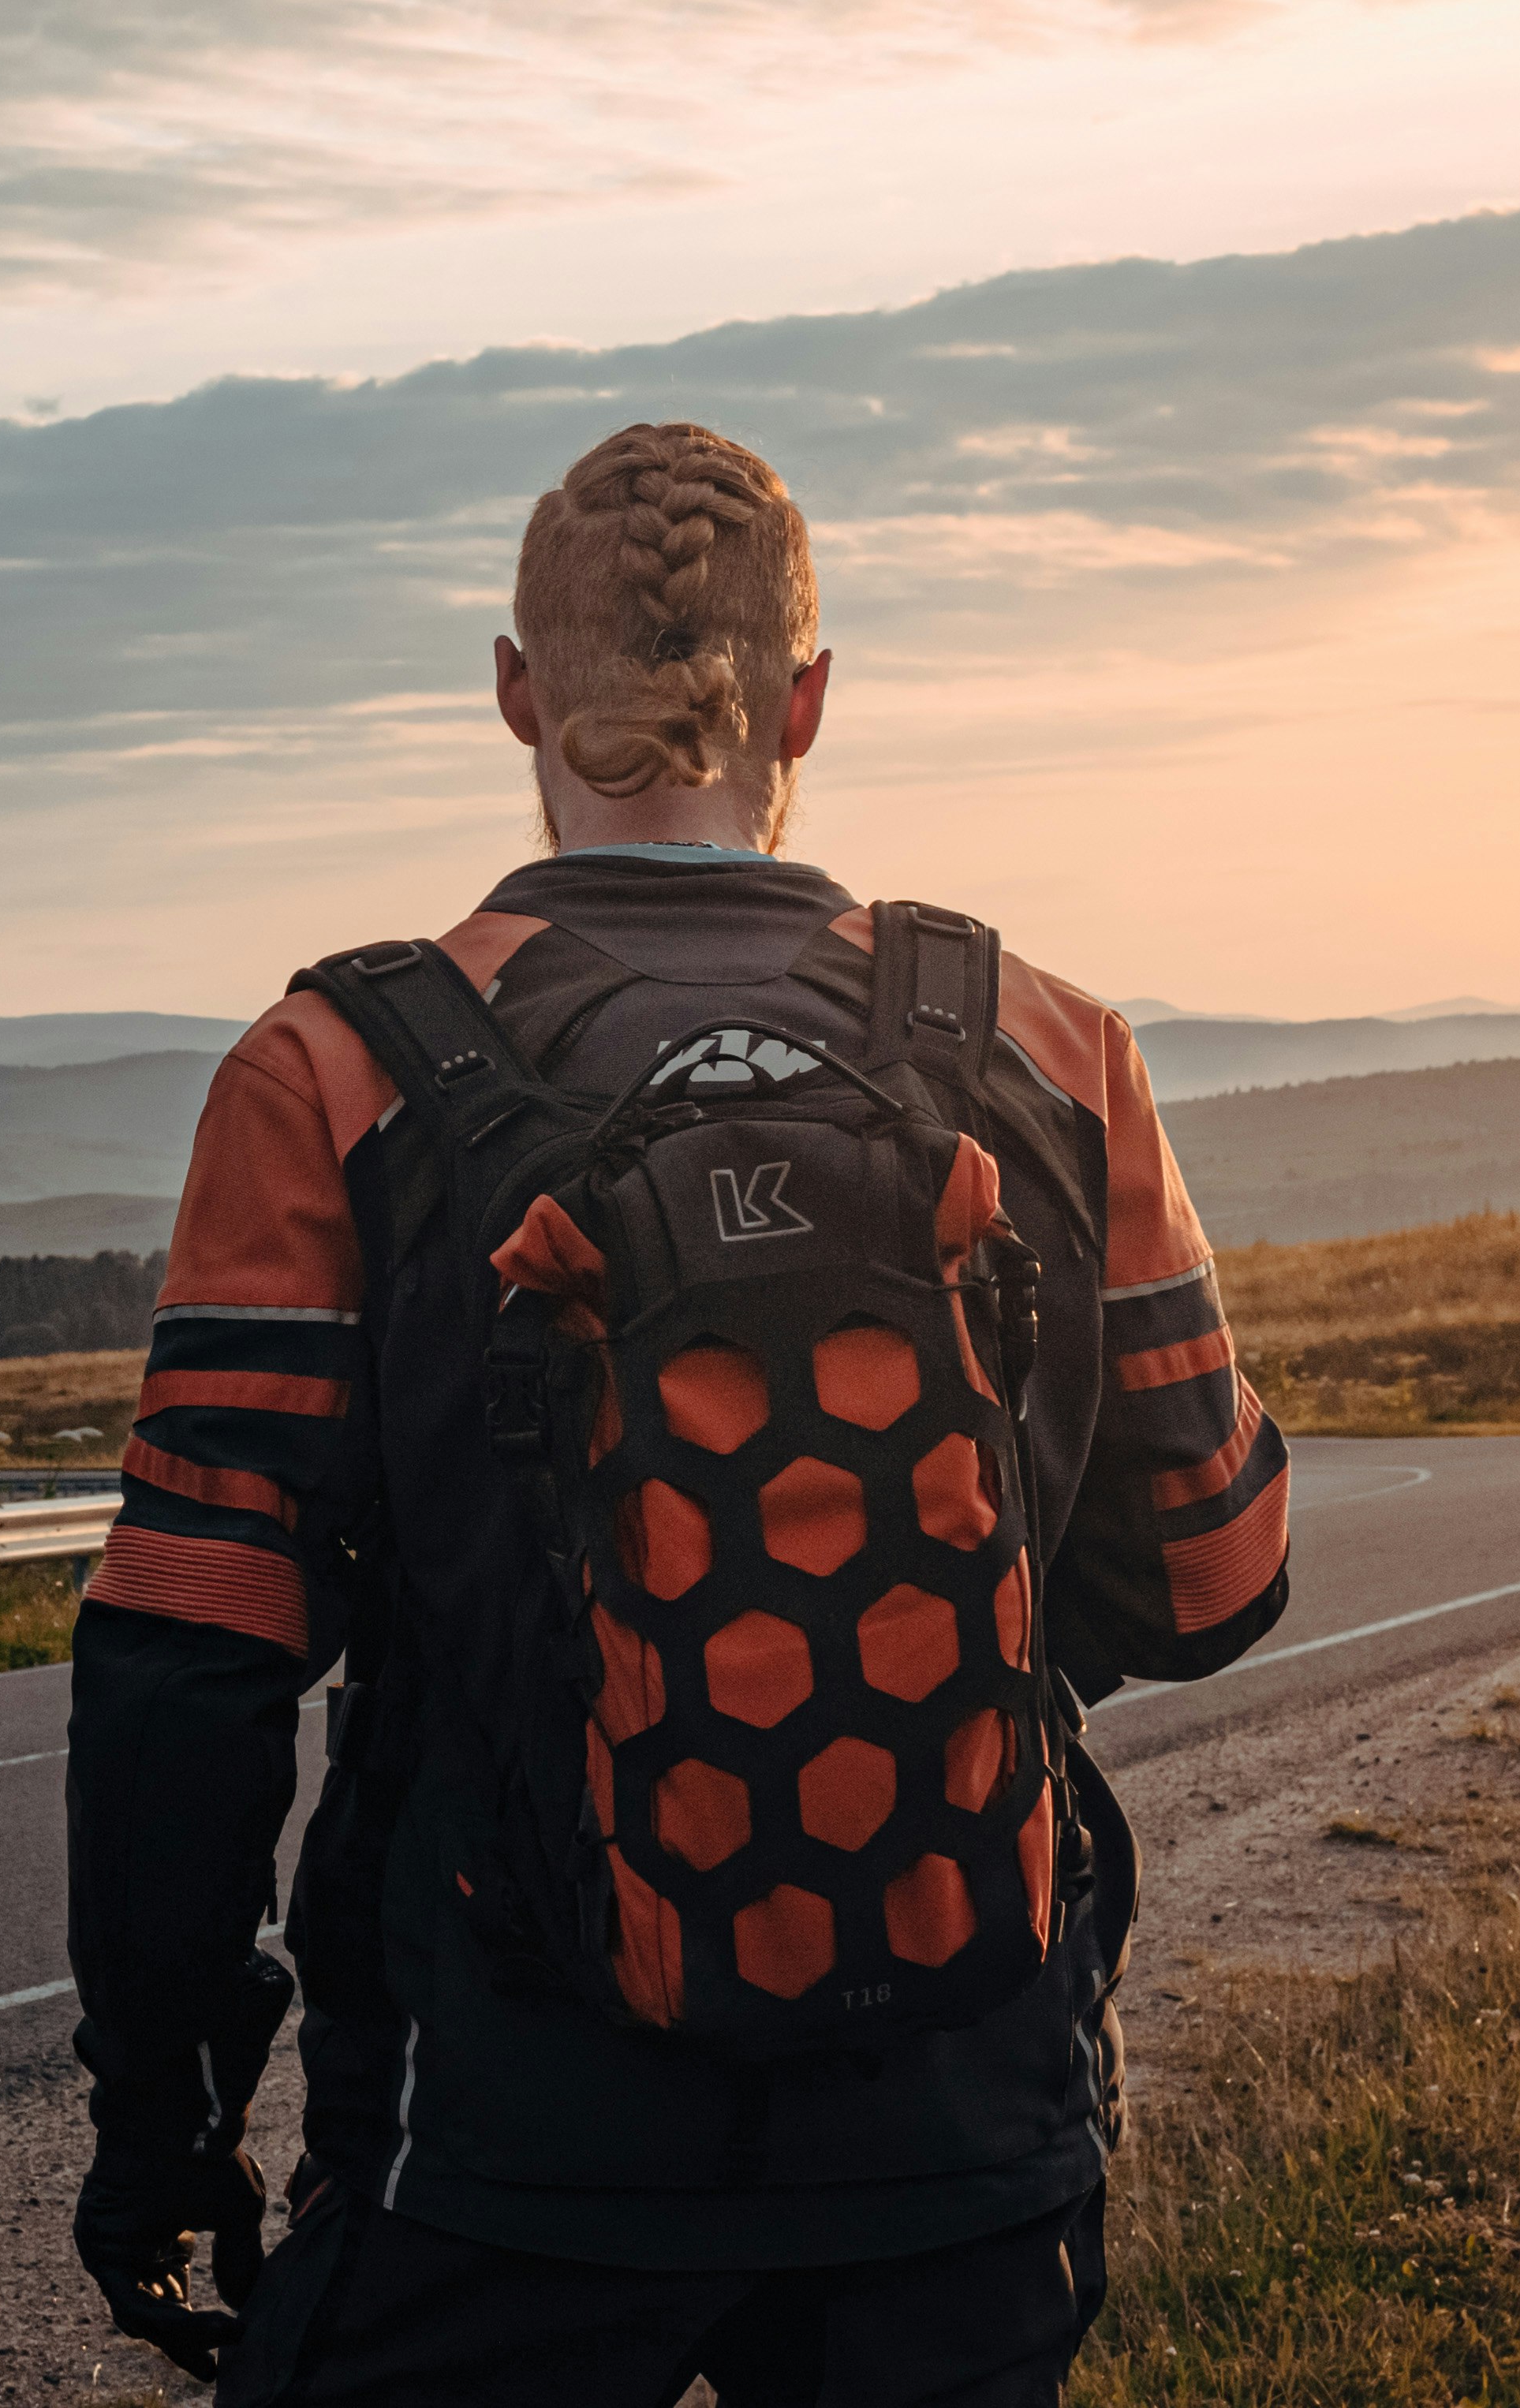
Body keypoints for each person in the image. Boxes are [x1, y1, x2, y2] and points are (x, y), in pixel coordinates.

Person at [64, 421, 1292, 2406]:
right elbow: (1221, 1582)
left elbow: (184, 1675)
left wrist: (161, 2120)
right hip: (962, 2132)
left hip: (502, 2143)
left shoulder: (327, 1073)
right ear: (806, 697)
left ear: (512, 692)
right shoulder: (1051, 1048)